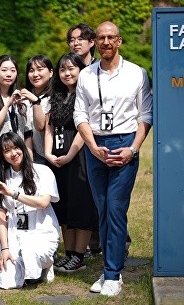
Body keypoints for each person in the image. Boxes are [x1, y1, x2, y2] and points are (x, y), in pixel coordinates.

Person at [74, 21, 153, 297]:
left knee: (116, 209)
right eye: (101, 38)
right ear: (95, 42)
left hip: (124, 144)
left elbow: (145, 116)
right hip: (95, 146)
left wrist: (132, 149)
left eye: (111, 38)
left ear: (119, 41)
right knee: (103, 208)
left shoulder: (137, 74)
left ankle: (112, 274)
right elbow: (80, 115)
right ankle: (111, 268)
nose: (106, 42)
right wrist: (93, 147)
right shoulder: (86, 75)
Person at [45, 53, 98, 274]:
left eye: (71, 68)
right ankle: (68, 254)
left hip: (79, 157)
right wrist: (48, 153)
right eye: (62, 69)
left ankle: (78, 255)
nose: (67, 73)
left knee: (81, 205)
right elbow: (49, 127)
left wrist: (69, 154)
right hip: (57, 159)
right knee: (63, 207)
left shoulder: (85, 94)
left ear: (81, 70)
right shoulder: (56, 95)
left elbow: (82, 129)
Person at [0, 132, 60, 289]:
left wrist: (14, 194)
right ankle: (27, 267)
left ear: (22, 147)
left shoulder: (42, 171)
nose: (13, 153)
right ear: (2, 155)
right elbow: (0, 216)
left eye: (16, 148)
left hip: (40, 230)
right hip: (15, 232)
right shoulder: (2, 178)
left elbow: (43, 203)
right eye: (7, 150)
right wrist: (5, 248)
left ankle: (45, 264)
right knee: (5, 280)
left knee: (30, 256)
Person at [24, 55, 53, 164]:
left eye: (40, 69)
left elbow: (40, 126)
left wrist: (36, 102)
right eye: (31, 71)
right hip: (26, 155)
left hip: (47, 155)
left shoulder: (55, 97)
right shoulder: (23, 97)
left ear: (51, 72)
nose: (35, 74)